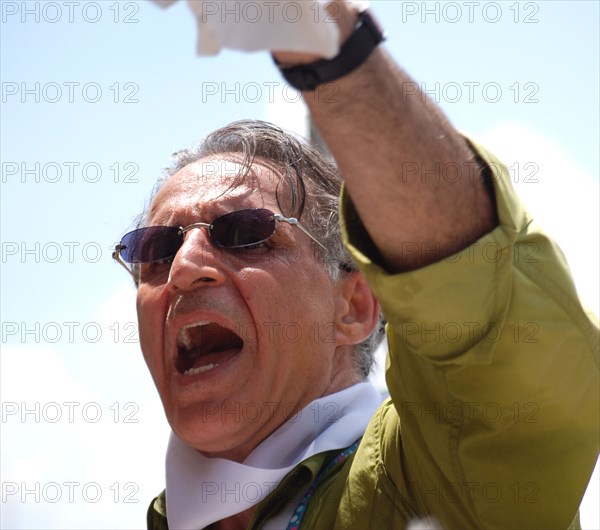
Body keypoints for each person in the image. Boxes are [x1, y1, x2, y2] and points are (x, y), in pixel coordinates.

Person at [113, 2, 599, 528]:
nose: (184, 266)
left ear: (355, 306)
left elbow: (483, 319)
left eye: (245, 234)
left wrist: (329, 46)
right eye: (155, 248)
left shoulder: (430, 479)